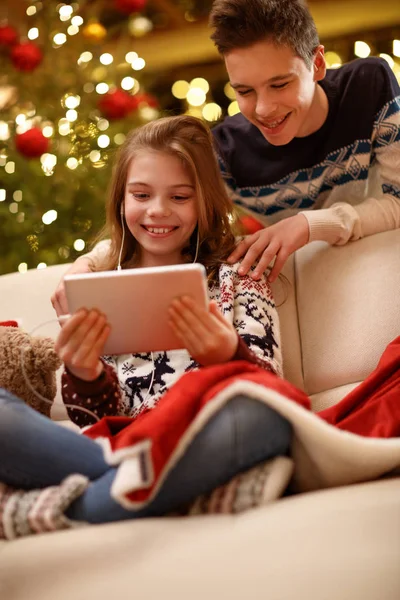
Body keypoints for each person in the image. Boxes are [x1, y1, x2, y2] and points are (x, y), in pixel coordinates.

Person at [0, 116, 293, 539]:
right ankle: (143, 492)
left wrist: (227, 358)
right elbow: (95, 423)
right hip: (122, 446)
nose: (157, 210)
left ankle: (78, 505)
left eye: (179, 196)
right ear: (121, 199)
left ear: (205, 203)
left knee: (265, 420)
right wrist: (86, 375)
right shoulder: (96, 288)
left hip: (204, 440)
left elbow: (273, 395)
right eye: (141, 194)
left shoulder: (238, 279)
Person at [51, 0, 400, 316]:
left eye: (280, 85)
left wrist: (309, 224)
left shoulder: (369, 86)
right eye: (244, 91)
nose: (263, 109)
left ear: (318, 63)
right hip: (319, 296)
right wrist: (89, 264)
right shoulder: (223, 151)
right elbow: (164, 213)